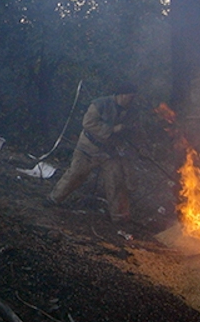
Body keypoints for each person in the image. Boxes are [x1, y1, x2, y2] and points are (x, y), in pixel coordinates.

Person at [48, 83, 140, 223]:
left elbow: (133, 132)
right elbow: (88, 123)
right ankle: (54, 199)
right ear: (123, 94)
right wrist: (113, 129)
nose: (132, 100)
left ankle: (120, 217)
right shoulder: (100, 104)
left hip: (110, 152)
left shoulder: (131, 111)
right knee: (76, 174)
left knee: (116, 181)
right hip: (88, 148)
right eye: (131, 97)